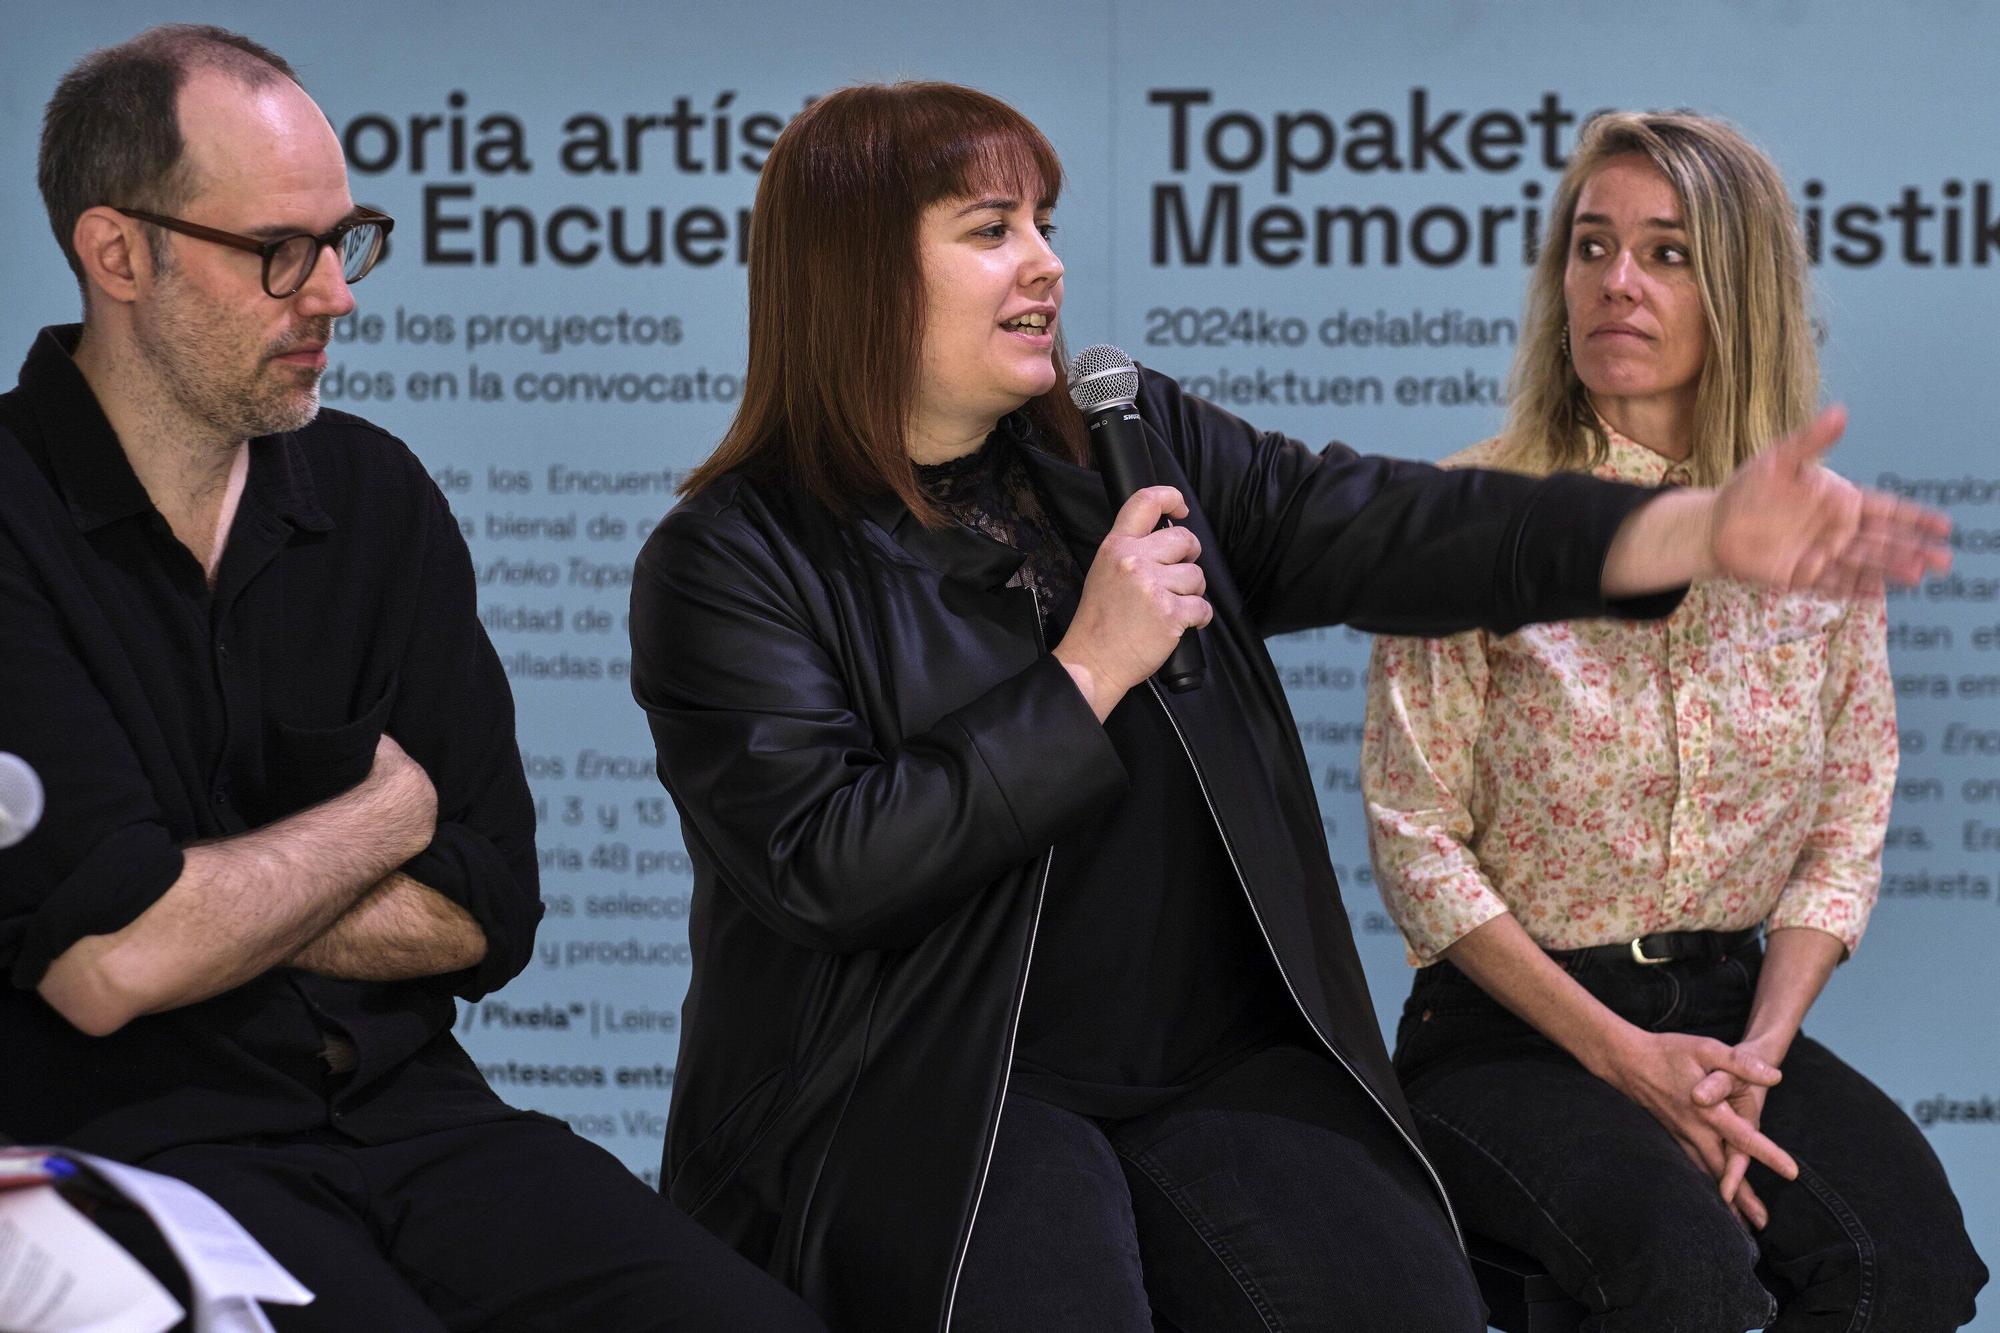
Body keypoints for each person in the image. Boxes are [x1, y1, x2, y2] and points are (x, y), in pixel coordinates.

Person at [628, 84, 1952, 1333]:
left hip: (1202, 1071)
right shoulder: (732, 558)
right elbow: (826, 866)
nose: (1044, 264)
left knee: (1401, 1302)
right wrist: (1087, 672)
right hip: (929, 1091)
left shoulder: (1128, 441)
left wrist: (1691, 528)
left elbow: (1391, 524)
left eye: (1045, 225)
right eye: (992, 232)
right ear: (857, 272)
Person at [0, 25, 825, 1333]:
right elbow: (108, 967)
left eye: (346, 241)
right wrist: (381, 819)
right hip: (142, 1144)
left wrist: (198, 879)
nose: (335, 294)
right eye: (279, 250)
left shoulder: (374, 492)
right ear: (118, 254)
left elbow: (488, 904)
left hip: (412, 1111)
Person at [1362, 110, 1987, 1330]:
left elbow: (1846, 821)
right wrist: (1622, 1059)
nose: (1614, 284)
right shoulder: (1471, 511)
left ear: (1738, 287)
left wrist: (1753, 1060)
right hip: (1512, 1033)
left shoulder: (1821, 529)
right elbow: (1414, 839)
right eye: (1590, 248)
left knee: (1901, 1262)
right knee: (1682, 1277)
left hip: (1725, 1019)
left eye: (1665, 253)